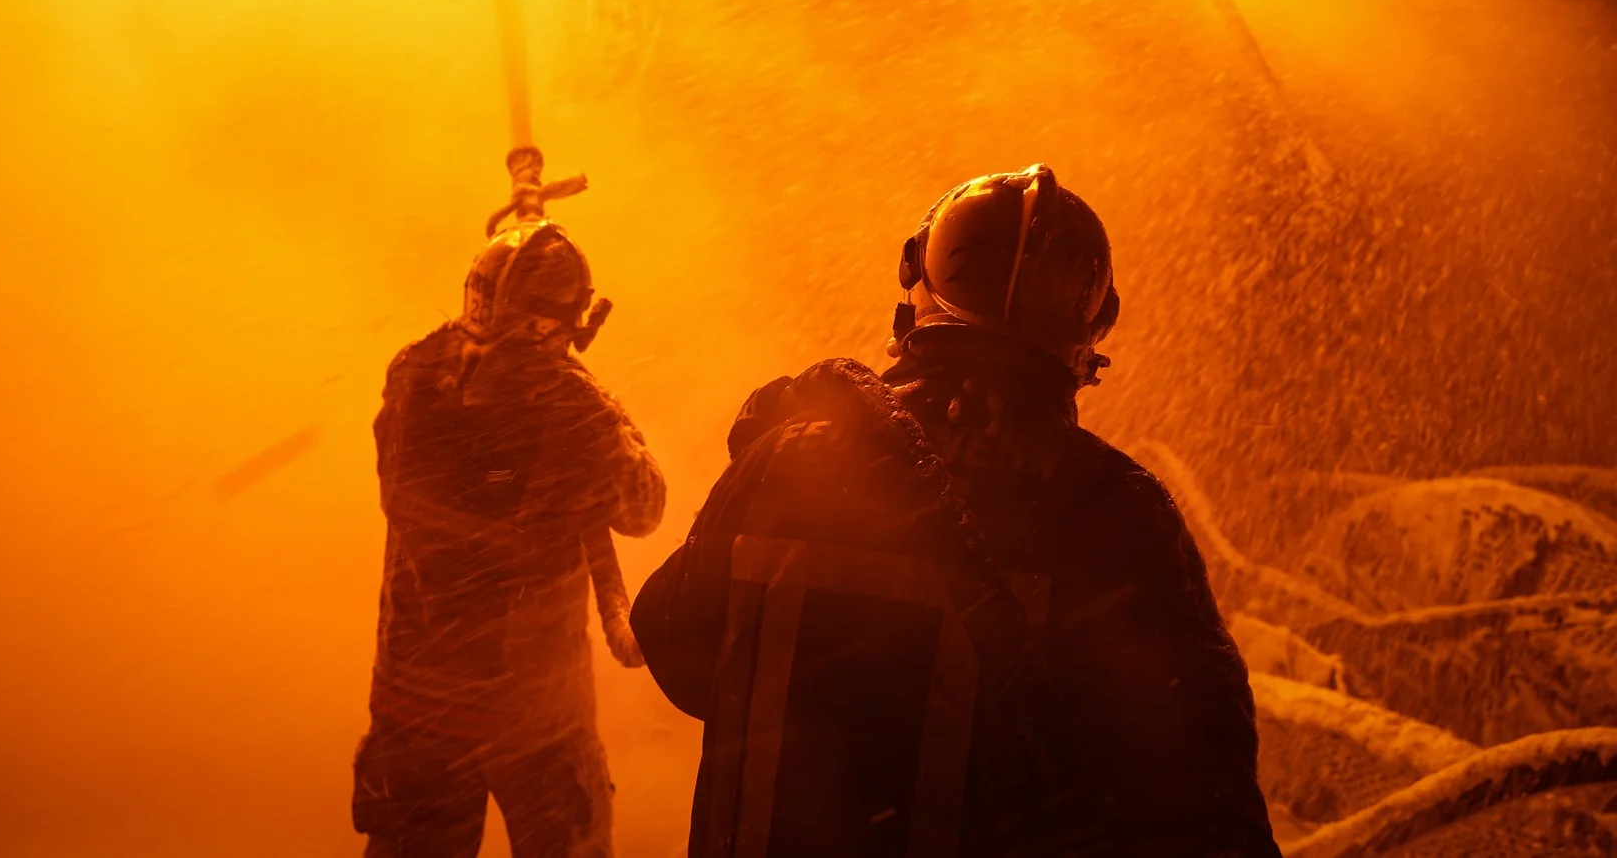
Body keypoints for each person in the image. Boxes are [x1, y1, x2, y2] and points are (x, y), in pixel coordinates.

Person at [630, 165, 1279, 858]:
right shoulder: (1113, 511)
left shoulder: (792, 460)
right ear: (1089, 334)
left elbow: (674, 646)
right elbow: (1203, 789)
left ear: (917, 292)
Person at [354, 213, 667, 858]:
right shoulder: (572, 410)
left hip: (416, 707)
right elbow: (645, 508)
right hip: (534, 718)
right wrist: (586, 393)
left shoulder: (412, 375)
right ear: (557, 323)